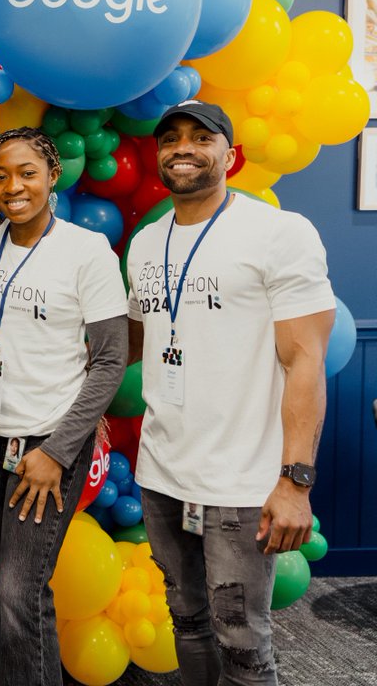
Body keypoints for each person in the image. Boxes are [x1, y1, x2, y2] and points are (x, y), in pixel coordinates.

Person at [126, 100, 335, 685]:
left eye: (201, 137)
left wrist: (295, 481)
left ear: (231, 154)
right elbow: (137, 342)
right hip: (163, 470)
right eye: (170, 139)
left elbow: (306, 362)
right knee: (186, 620)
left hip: (242, 480)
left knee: (243, 638)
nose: (183, 148)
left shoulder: (277, 233)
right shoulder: (145, 245)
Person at [0, 127, 128, 685]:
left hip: (49, 441)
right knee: (17, 584)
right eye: (1, 176)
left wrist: (57, 452)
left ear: (53, 176)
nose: (14, 187)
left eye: (27, 173)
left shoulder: (86, 251)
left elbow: (109, 360)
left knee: (19, 591)